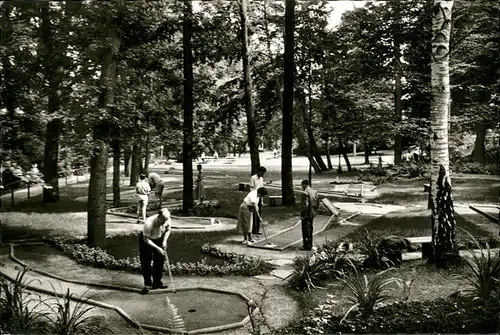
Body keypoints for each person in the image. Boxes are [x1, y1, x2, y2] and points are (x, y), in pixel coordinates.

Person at [139, 208, 172, 294]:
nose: (165, 222)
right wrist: (157, 248)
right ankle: (148, 284)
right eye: (163, 220)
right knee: (146, 261)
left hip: (159, 238)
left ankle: (157, 282)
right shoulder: (149, 223)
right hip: (147, 240)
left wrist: (164, 241)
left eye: (166, 220)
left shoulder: (167, 219)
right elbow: (146, 239)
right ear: (159, 215)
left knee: (160, 260)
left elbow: (168, 230)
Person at [300, 180, 319, 251]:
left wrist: (303, 215)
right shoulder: (314, 192)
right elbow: (317, 202)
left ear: (304, 185)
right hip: (312, 213)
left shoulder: (305, 193)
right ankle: (310, 244)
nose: (302, 187)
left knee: (305, 230)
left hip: (307, 214)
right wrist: (315, 211)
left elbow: (305, 205)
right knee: (310, 229)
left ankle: (306, 245)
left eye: (302, 185)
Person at [250, 166, 267, 235]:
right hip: (254, 197)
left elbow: (262, 188)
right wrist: (253, 198)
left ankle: (257, 229)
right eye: (261, 173)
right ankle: (253, 230)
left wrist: (261, 200)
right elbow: (251, 188)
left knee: (259, 213)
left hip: (259, 197)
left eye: (263, 173)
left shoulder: (261, 179)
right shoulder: (253, 178)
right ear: (258, 172)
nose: (262, 175)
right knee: (255, 213)